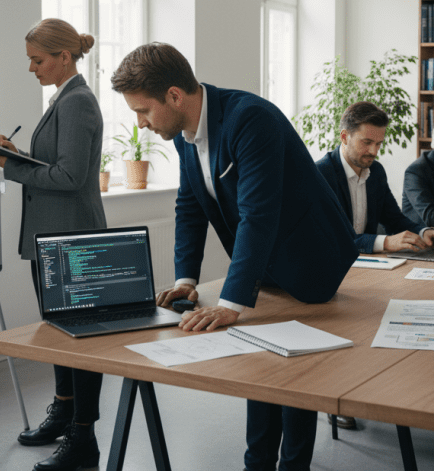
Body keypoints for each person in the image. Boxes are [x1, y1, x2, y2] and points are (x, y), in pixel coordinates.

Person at [110, 42, 358, 471]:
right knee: (262, 362)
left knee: (295, 371)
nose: (141, 123)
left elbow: (258, 214)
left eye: (143, 111)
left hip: (311, 260)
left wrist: (229, 302)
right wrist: (186, 279)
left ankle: (293, 465)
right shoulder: (185, 134)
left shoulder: (250, 118)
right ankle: (257, 463)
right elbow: (189, 206)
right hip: (267, 264)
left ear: (174, 96)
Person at [0, 18, 107, 471]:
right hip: (52, 238)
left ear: (64, 58)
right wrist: (13, 156)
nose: (32, 68)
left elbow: (71, 178)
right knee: (59, 334)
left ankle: (82, 437)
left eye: (38, 60)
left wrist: (9, 168)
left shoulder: (77, 103)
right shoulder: (63, 100)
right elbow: (55, 165)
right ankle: (63, 414)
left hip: (71, 240)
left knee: (81, 341)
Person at [315, 101, 434, 431]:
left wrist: (423, 231)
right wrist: (385, 242)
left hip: (369, 270)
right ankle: (335, 395)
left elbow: (394, 219)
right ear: (344, 136)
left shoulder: (377, 171)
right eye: (366, 142)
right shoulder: (320, 174)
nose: (373, 150)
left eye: (378, 143)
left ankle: (370, 388)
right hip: (333, 272)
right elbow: (332, 239)